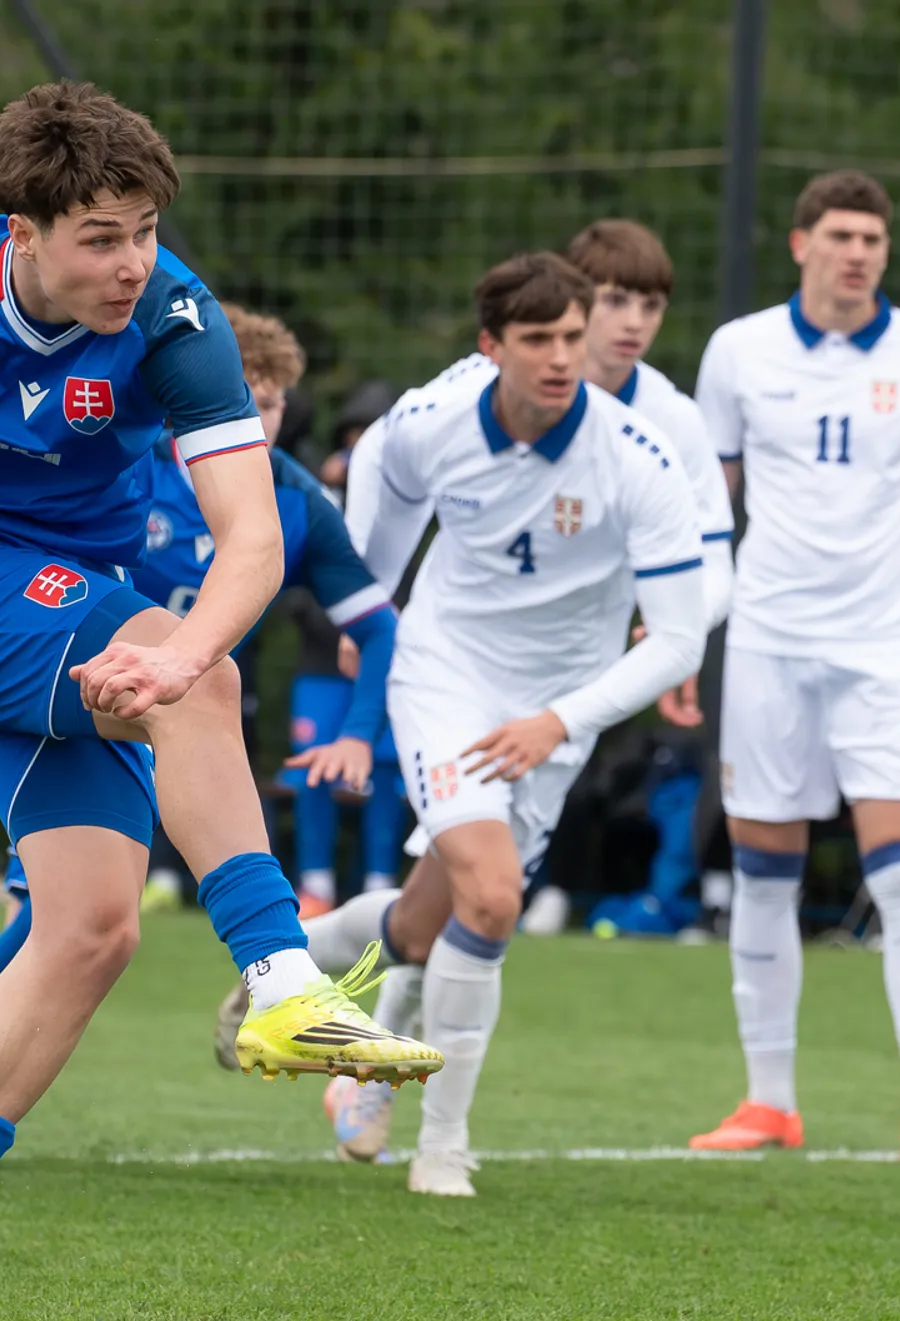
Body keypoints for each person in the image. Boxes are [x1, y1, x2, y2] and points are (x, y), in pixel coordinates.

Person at [0, 81, 438, 1321]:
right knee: (206, 681)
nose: (135, 263)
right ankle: (282, 979)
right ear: (24, 232)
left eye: (147, 231)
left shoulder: (176, 315)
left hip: (69, 609)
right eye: (103, 238)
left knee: (89, 931)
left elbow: (253, 540)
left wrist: (173, 658)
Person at [0, 302, 403, 1157]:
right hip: (101, 698)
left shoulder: (291, 504)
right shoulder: (128, 463)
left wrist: (360, 733)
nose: (255, 417)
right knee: (66, 922)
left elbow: (376, 625)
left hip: (169, 719)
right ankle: (272, 977)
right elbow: (35, 597)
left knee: (80, 924)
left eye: (269, 404)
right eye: (242, 396)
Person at [297, 217, 736, 1160]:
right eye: (601, 307)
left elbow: (695, 603)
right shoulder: (445, 411)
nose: (608, 333)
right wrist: (368, 614)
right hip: (448, 672)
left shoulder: (656, 439)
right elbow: (382, 471)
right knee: (491, 896)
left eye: (645, 306)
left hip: (564, 699)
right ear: (499, 343)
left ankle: (290, 974)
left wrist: (585, 700)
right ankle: (425, 1124)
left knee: (434, 913)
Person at [687, 170, 900, 1164]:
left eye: (872, 238)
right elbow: (706, 505)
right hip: (767, 642)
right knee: (762, 871)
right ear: (800, 245)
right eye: (841, 236)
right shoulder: (739, 350)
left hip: (884, 649)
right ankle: (769, 1101)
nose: (858, 253)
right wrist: (682, 632)